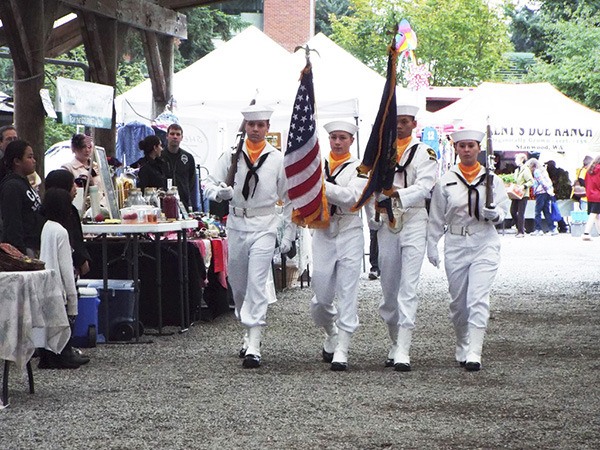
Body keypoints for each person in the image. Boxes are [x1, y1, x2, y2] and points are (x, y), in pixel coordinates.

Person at [204, 105, 295, 369]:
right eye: (251, 125)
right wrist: (217, 194)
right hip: (236, 223)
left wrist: (288, 232)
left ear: (268, 127)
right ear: (245, 126)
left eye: (261, 125)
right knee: (239, 283)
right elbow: (208, 181)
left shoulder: (278, 160)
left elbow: (289, 198)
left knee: (257, 282)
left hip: (264, 224)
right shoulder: (232, 155)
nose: (255, 129)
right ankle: (247, 328)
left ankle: (255, 341)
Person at [427, 129, 509, 372]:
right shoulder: (446, 181)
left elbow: (504, 209)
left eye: (471, 145)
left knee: (477, 298)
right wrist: (432, 244)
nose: (466, 150)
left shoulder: (492, 180)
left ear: (479, 148)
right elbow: (436, 216)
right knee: (459, 303)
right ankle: (462, 341)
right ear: (456, 148)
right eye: (462, 146)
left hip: (484, 241)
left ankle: (475, 350)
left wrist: (497, 215)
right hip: (456, 242)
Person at [374, 103, 438, 372]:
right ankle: (394, 340)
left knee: (408, 287)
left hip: (413, 218)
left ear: (414, 124)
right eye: (395, 121)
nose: (399, 125)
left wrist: (397, 195)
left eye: (404, 121)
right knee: (389, 289)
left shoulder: (425, 152)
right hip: (388, 220)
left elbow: (425, 186)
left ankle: (404, 348)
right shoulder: (381, 152)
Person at [310, 121, 367, 371]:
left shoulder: (361, 168)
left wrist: (319, 187)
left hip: (349, 229)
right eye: (333, 137)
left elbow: (352, 197)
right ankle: (331, 331)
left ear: (351, 141)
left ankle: (343, 347)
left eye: (342, 138)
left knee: (347, 292)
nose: (337, 142)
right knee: (321, 296)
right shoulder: (316, 166)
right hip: (323, 230)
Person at [38, 188, 89, 369]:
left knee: (47, 324)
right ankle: (63, 354)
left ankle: (47, 357)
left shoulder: (46, 227)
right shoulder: (61, 232)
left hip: (45, 283)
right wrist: (72, 294)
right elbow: (66, 267)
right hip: (59, 286)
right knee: (63, 322)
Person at [0, 140, 44, 256]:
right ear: (17, 161)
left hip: (35, 244)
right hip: (24, 248)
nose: (34, 161)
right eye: (29, 157)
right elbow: (12, 221)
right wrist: (19, 252)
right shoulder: (12, 186)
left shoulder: (25, 183)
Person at [44, 170, 91, 277]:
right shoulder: (56, 217)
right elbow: (72, 239)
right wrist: (80, 259)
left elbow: (77, 238)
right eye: (72, 184)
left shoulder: (72, 210)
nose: (75, 188)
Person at [61, 133, 106, 208]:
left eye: (89, 147)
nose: (87, 150)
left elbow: (105, 192)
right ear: (74, 148)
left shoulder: (97, 166)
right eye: (83, 147)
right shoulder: (67, 168)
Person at [161, 123, 196, 211]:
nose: (175, 137)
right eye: (172, 134)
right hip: (163, 202)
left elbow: (192, 181)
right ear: (167, 136)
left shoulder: (188, 157)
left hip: (183, 203)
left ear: (181, 137)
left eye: (178, 134)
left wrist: (185, 192)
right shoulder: (159, 157)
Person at [527, 158, 557, 236]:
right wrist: (549, 191)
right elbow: (547, 181)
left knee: (537, 211)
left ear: (532, 165)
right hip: (546, 192)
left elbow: (541, 181)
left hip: (541, 192)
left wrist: (544, 189)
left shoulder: (536, 171)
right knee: (546, 211)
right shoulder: (543, 170)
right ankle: (552, 228)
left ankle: (538, 229)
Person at [511, 153, 534, 237]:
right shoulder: (517, 170)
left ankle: (521, 231)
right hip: (516, 194)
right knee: (512, 211)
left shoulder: (526, 169)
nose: (515, 161)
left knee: (521, 212)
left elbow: (531, 181)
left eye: (516, 159)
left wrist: (523, 186)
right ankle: (520, 227)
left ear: (521, 160)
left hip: (523, 194)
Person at [545, 160, 569, 232]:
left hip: (555, 194)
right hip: (557, 194)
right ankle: (562, 226)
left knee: (555, 210)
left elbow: (559, 184)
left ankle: (561, 225)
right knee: (557, 211)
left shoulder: (553, 173)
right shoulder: (559, 172)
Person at [582, 155, 600, 241]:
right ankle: (586, 233)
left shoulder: (589, 170)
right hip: (598, 195)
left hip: (590, 194)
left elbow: (585, 182)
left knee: (596, 215)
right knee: (594, 214)